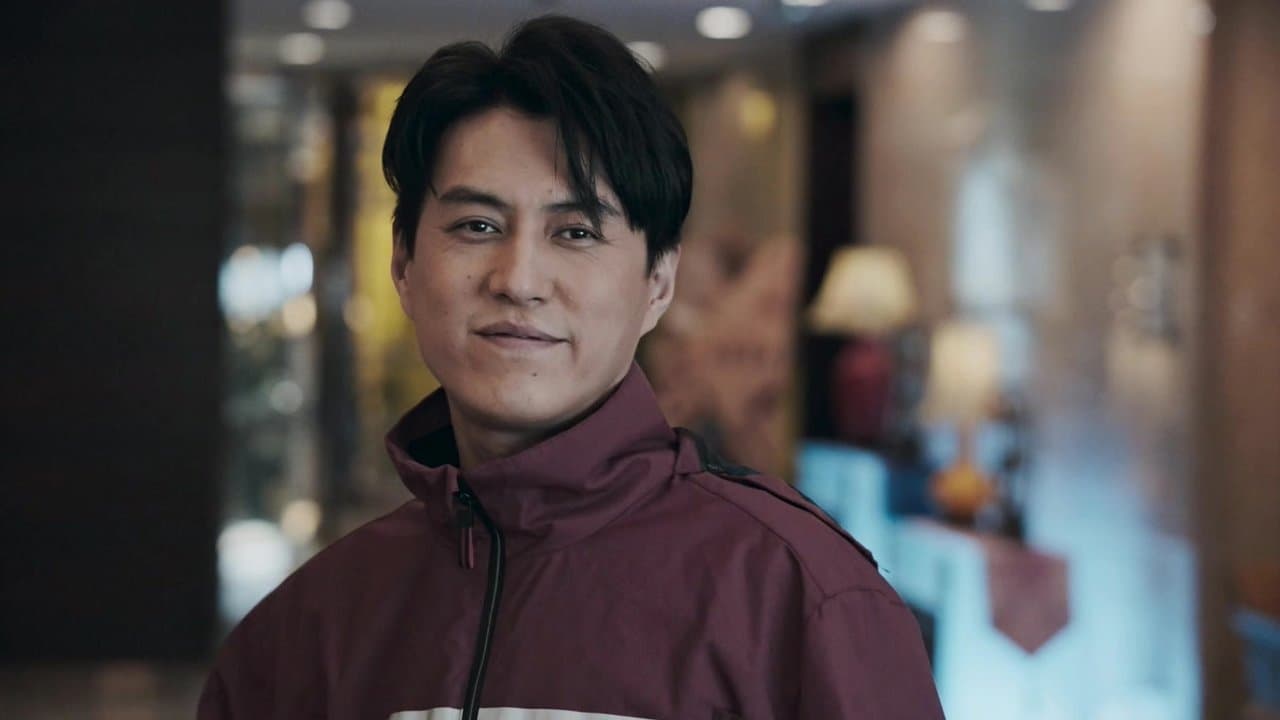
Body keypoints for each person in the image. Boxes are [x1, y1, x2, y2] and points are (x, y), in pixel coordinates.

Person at [199, 15, 943, 720]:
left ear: (658, 283)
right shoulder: (305, 630)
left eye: (577, 232)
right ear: (404, 265)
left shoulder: (801, 600)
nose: (519, 279)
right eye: (477, 225)